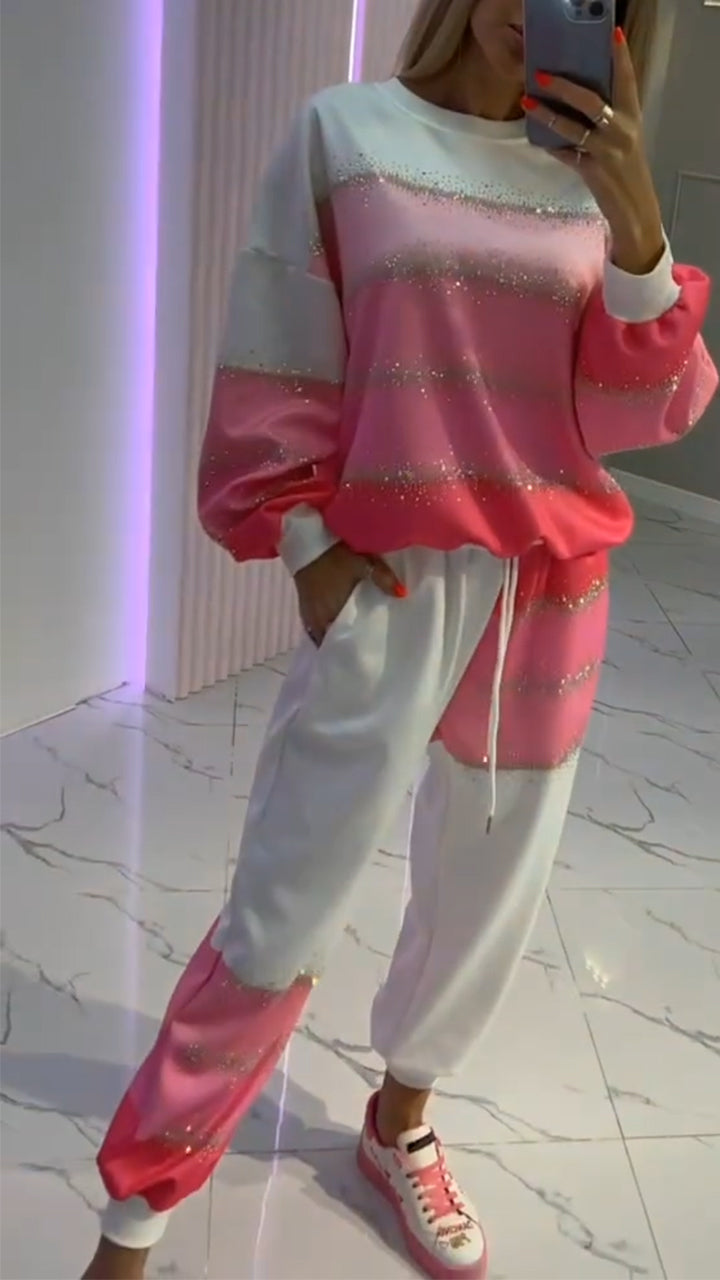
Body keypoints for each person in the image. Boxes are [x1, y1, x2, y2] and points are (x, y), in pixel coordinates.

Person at [83, 1, 717, 1276]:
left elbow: (641, 414)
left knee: (486, 894)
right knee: (285, 900)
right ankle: (136, 1214)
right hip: (392, 578)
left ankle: (401, 1120)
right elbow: (280, 352)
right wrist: (307, 547)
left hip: (547, 590)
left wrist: (641, 227)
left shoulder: (595, 180)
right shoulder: (349, 136)